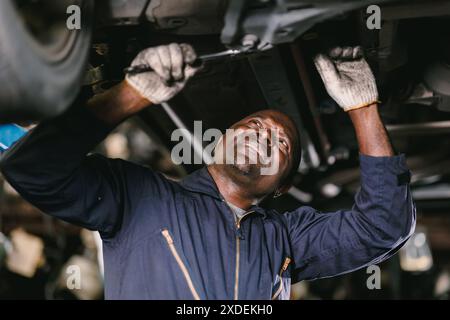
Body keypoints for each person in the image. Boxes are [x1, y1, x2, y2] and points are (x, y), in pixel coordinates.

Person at [0, 43, 415, 300]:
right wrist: (131, 95)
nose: (263, 133)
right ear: (220, 139)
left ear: (283, 185)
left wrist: (362, 107)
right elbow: (32, 168)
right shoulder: (140, 197)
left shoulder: (286, 240)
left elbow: (384, 225)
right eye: (253, 125)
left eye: (281, 142)